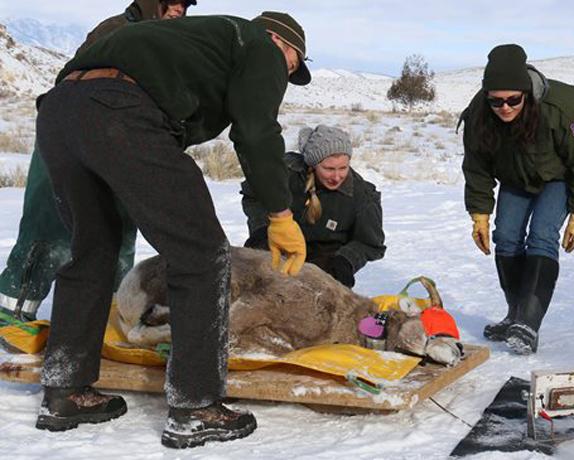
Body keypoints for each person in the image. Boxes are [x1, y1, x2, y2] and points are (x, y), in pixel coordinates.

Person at [33, 11, 310, 448]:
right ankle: (196, 406)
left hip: (59, 112)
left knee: (93, 250)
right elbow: (256, 131)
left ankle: (65, 391)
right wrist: (280, 213)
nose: (287, 73)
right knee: (200, 255)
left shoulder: (192, 39)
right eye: (294, 65)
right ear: (283, 43)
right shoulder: (260, 44)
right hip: (119, 110)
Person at [0, 0, 197, 324]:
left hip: (119, 144)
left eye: (184, 4)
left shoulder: (170, 43)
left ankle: (103, 323)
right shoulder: (115, 30)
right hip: (68, 138)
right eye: (171, 1)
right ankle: (12, 312)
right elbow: (77, 85)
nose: (178, 9)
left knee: (116, 234)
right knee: (48, 230)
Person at [460, 44, 574, 355]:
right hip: (515, 179)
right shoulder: (479, 114)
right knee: (507, 238)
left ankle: (528, 323)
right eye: (496, 101)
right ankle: (514, 316)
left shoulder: (560, 106)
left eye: (513, 99)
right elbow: (477, 166)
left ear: (526, 92)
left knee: (541, 235)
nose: (505, 107)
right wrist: (479, 214)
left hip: (558, 179)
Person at [243, 125, 386, 287]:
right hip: (278, 247)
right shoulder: (286, 173)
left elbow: (370, 243)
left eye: (343, 168)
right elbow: (253, 196)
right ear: (313, 164)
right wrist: (261, 230)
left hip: (326, 262)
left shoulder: (362, 195)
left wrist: (346, 260)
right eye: (329, 169)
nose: (337, 176)